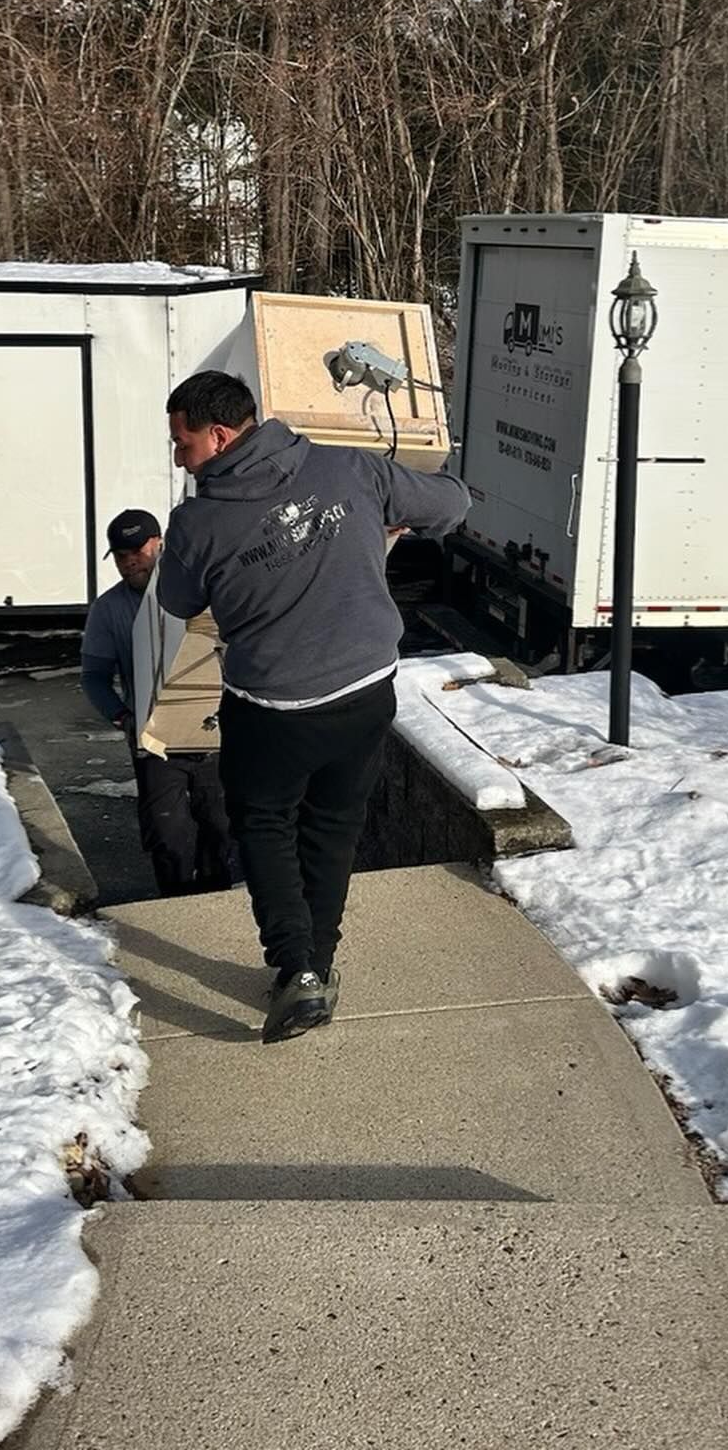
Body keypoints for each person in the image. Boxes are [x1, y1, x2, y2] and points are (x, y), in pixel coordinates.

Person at [156, 370, 470, 1044]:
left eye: (182, 444)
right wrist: (391, 509)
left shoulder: (196, 523)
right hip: (364, 691)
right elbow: (453, 505)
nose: (179, 458)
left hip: (272, 708)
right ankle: (318, 965)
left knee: (265, 824)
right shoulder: (346, 467)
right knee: (333, 827)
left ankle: (297, 968)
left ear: (217, 436)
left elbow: (176, 602)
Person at [80, 508, 236, 898]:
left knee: (220, 826)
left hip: (212, 730)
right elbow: (94, 677)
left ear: (159, 544)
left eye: (137, 551)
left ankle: (217, 901)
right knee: (167, 833)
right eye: (119, 555)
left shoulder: (202, 590)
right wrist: (121, 716)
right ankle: (175, 905)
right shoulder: (108, 609)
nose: (129, 561)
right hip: (154, 741)